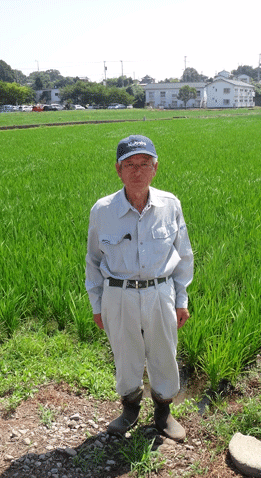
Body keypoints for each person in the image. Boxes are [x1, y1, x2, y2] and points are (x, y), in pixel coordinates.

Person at [85, 134, 194, 441]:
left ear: (155, 168)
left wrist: (181, 299)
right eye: (129, 164)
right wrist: (97, 305)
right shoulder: (102, 210)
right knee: (125, 354)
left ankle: (163, 413)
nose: (137, 171)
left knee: (164, 353)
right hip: (118, 295)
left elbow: (183, 255)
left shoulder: (170, 205)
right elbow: (93, 260)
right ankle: (130, 409)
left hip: (160, 292)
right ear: (118, 170)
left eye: (144, 164)